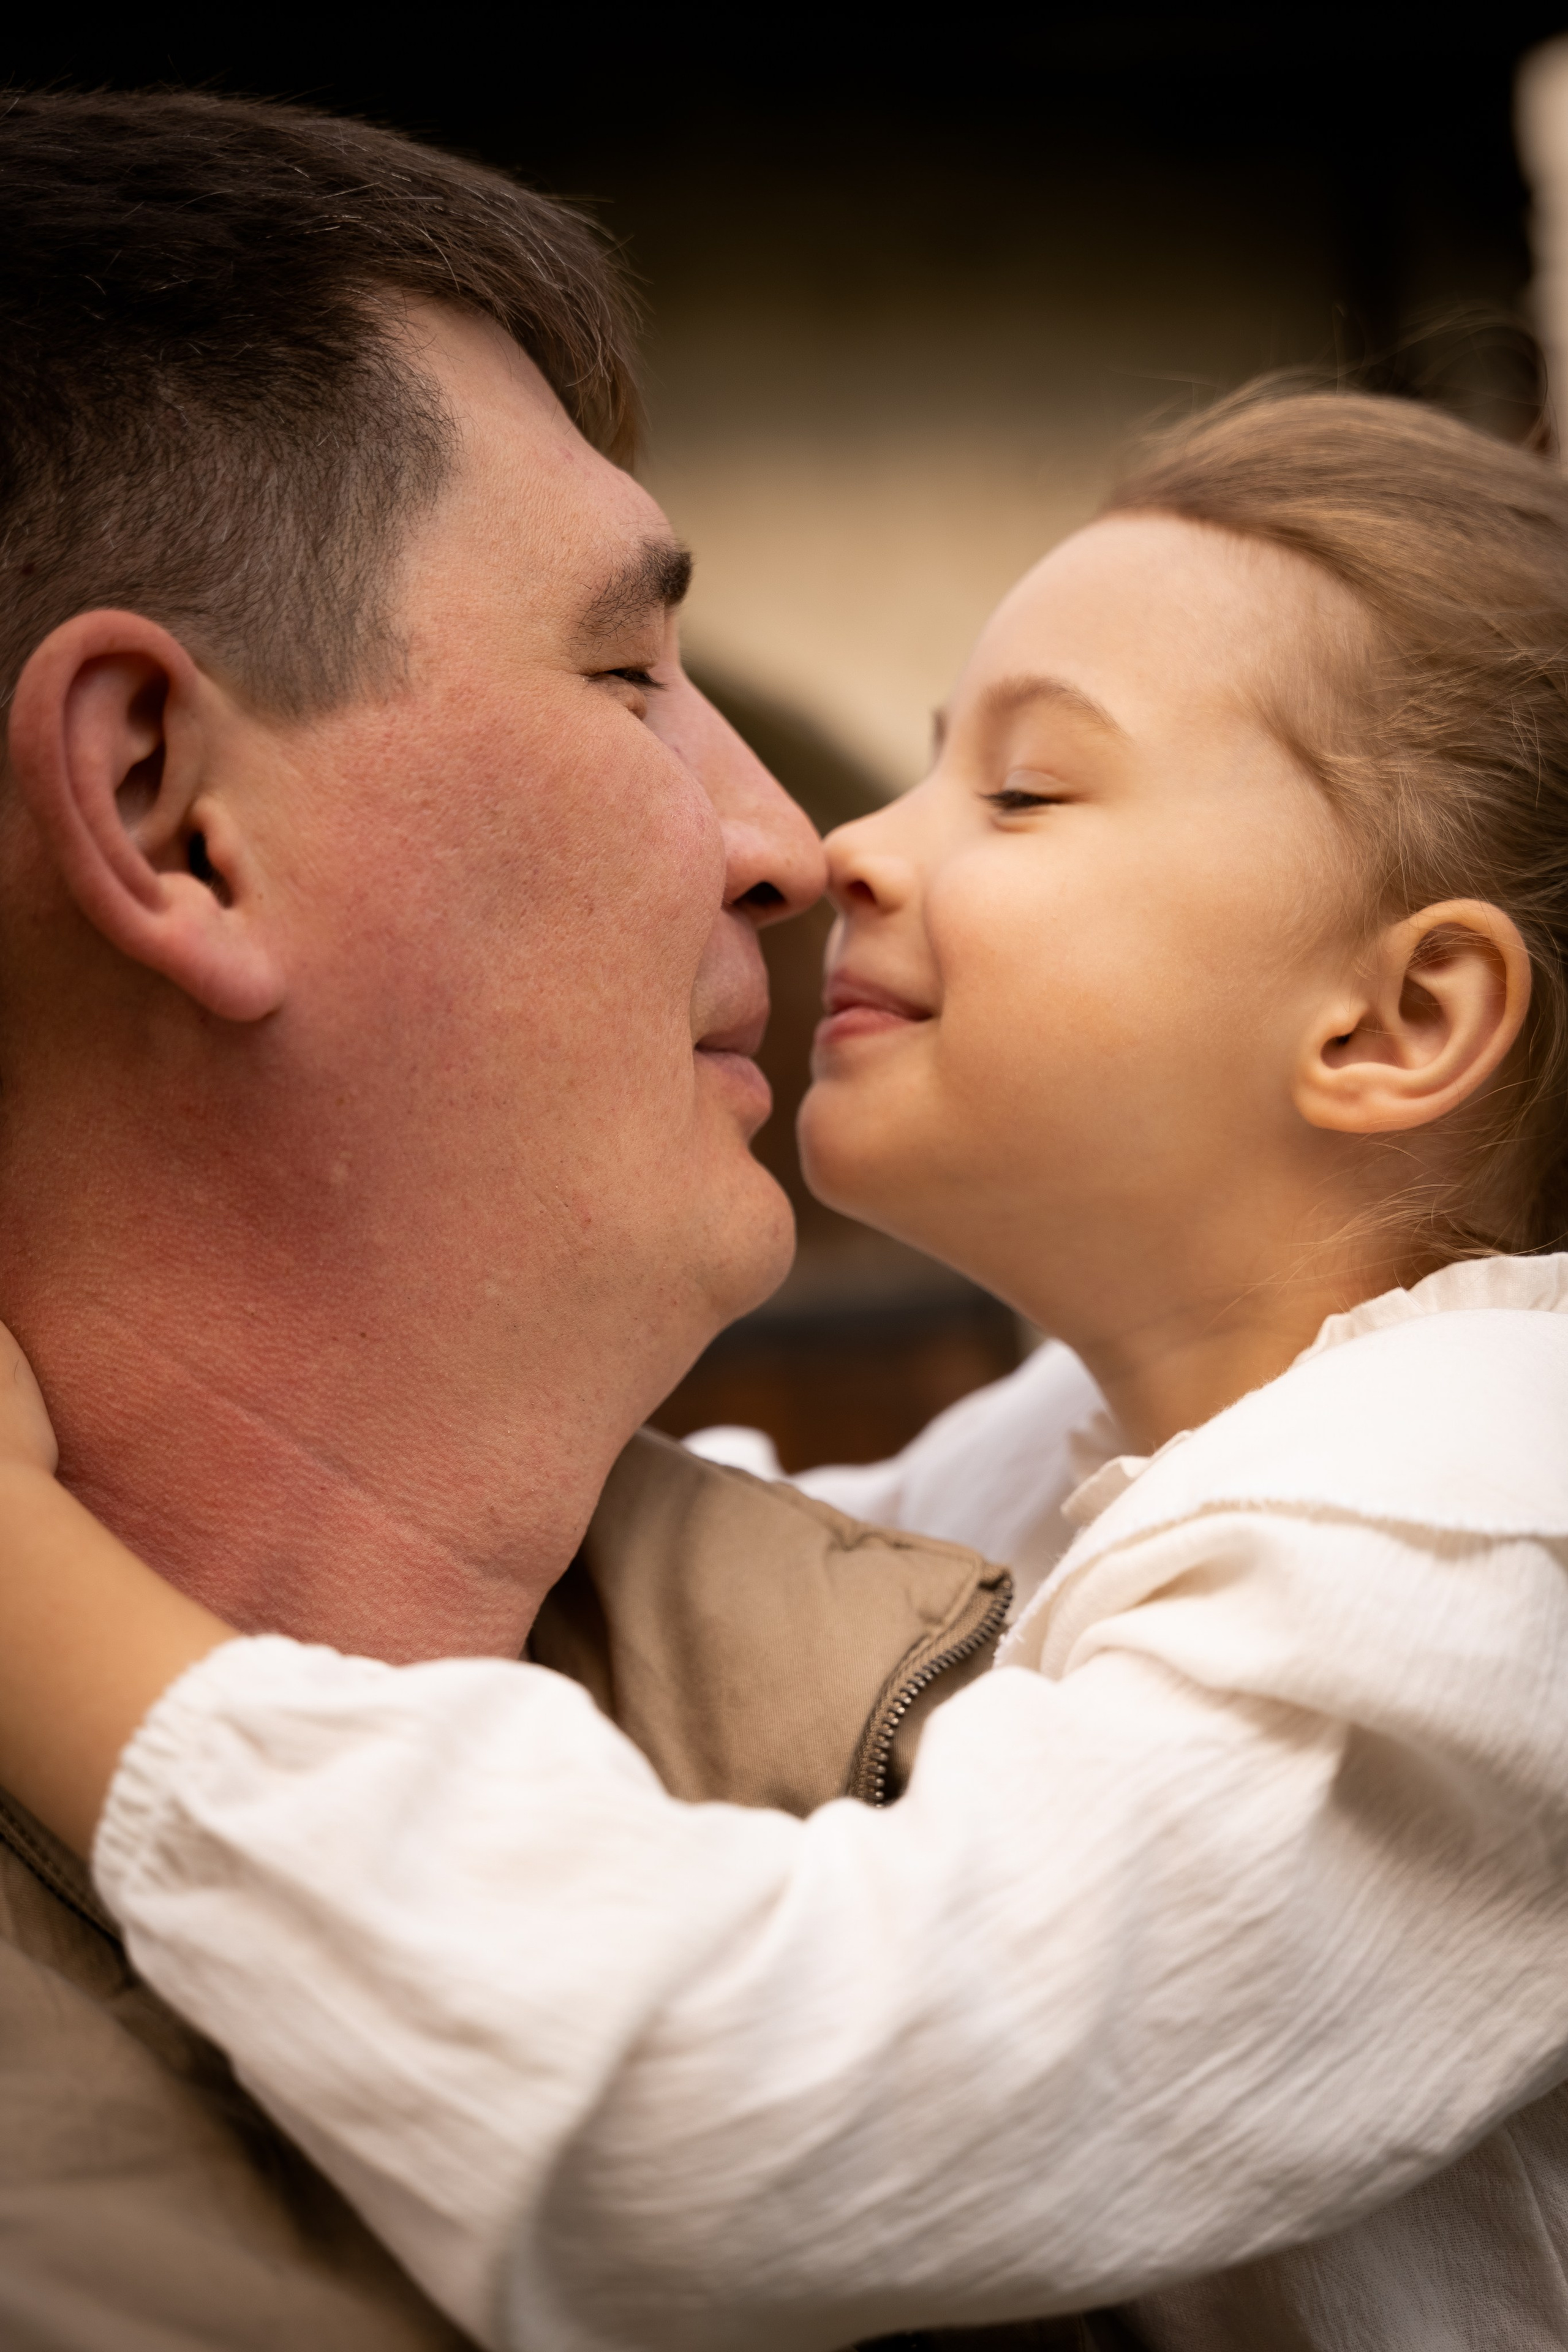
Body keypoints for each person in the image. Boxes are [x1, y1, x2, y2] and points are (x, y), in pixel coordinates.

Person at [4, 380, 1568, 2352]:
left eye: (1027, 795)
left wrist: (33, 1593)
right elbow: (743, 1564)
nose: (842, 852)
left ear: (1397, 1018)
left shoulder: (1483, 1560)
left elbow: (724, 2103)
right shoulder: (1110, 1449)